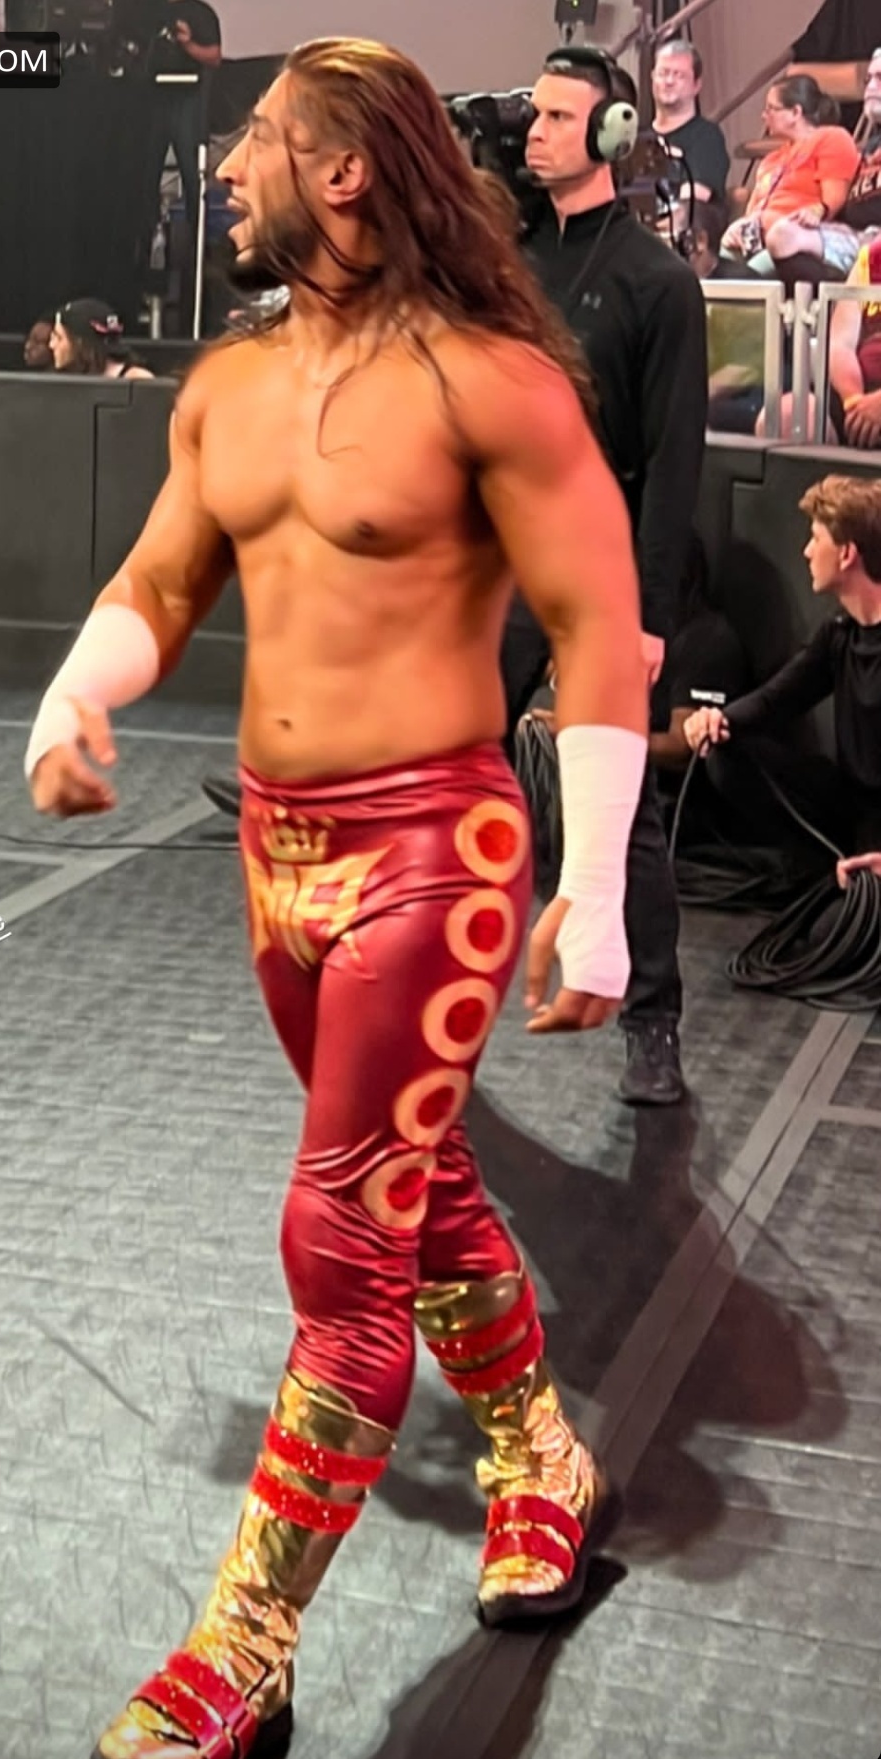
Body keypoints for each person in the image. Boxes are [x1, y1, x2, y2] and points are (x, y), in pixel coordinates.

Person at [25, 37, 649, 1759]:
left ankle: (245, 1638)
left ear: (347, 168)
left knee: (340, 1238)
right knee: (411, 1184)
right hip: (281, 856)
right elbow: (162, 575)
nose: (230, 169)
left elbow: (600, 625)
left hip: (432, 857)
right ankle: (537, 1452)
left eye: (257, 141)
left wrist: (595, 888)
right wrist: (76, 692)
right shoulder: (226, 386)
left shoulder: (493, 383)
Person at [501, 45, 708, 1105]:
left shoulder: (658, 282)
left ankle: (653, 1024)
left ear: (613, 134)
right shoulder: (504, 258)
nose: (534, 132)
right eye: (531, 115)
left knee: (624, 814)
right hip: (504, 555)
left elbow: (675, 463)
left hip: (606, 566)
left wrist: (651, 617)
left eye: (555, 117)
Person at [684, 476, 881, 868]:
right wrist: (717, 720)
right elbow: (776, 699)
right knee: (726, 752)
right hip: (850, 805)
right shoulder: (839, 633)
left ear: (846, 554)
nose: (807, 551)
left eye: (816, 539)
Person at [761, 47, 881, 279]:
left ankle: (839, 298)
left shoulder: (834, 139)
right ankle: (831, 296)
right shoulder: (868, 147)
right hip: (856, 236)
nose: (871, 87)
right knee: (784, 235)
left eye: (880, 78)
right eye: (868, 79)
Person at [139, 0, 223, 332]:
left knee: (193, 183)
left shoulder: (200, 12)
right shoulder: (147, 12)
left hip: (189, 102)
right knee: (144, 181)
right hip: (152, 102)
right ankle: (144, 256)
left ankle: (197, 270)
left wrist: (187, 43)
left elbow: (214, 56)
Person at [720, 76, 859, 274]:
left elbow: (833, 200)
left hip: (794, 240)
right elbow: (751, 212)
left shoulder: (830, 138)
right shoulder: (771, 159)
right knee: (714, 270)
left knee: (746, 275)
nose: (764, 116)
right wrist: (738, 228)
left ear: (795, 112)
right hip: (755, 238)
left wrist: (815, 212)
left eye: (771, 109)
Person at [651, 37, 730, 204]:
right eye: (663, 73)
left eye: (679, 75)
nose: (669, 81)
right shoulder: (636, 136)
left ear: (696, 85)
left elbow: (693, 203)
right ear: (652, 78)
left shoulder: (707, 137)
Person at [829, 232, 881, 447]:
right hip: (859, 398)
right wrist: (855, 404)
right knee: (788, 414)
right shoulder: (873, 259)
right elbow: (840, 344)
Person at [49, 299, 155, 378]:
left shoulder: (136, 379)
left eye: (59, 337)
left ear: (80, 343)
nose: (51, 345)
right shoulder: (57, 381)